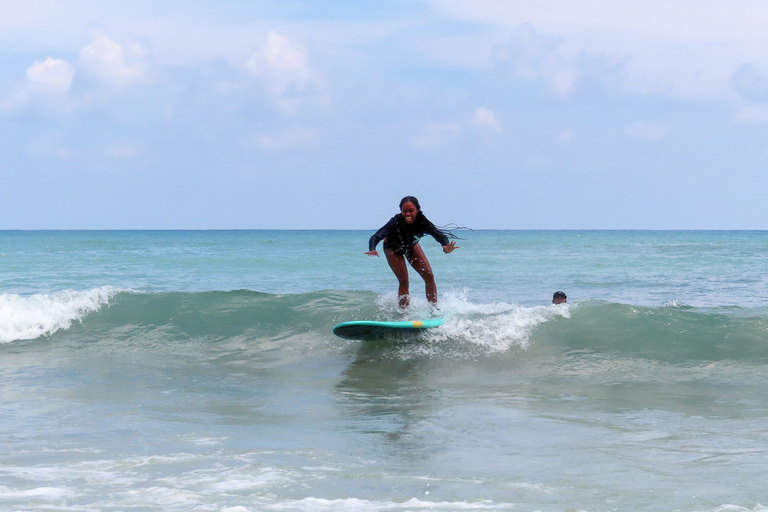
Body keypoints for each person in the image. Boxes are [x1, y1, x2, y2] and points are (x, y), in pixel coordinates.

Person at [366, 196, 459, 309]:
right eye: (404, 211)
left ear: (417, 210)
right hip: (392, 248)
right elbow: (376, 236)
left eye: (411, 210)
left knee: (429, 276)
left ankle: (433, 309)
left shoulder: (423, 222)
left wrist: (446, 249)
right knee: (404, 280)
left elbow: (440, 236)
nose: (408, 214)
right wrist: (372, 248)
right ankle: (404, 314)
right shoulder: (396, 221)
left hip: (411, 246)